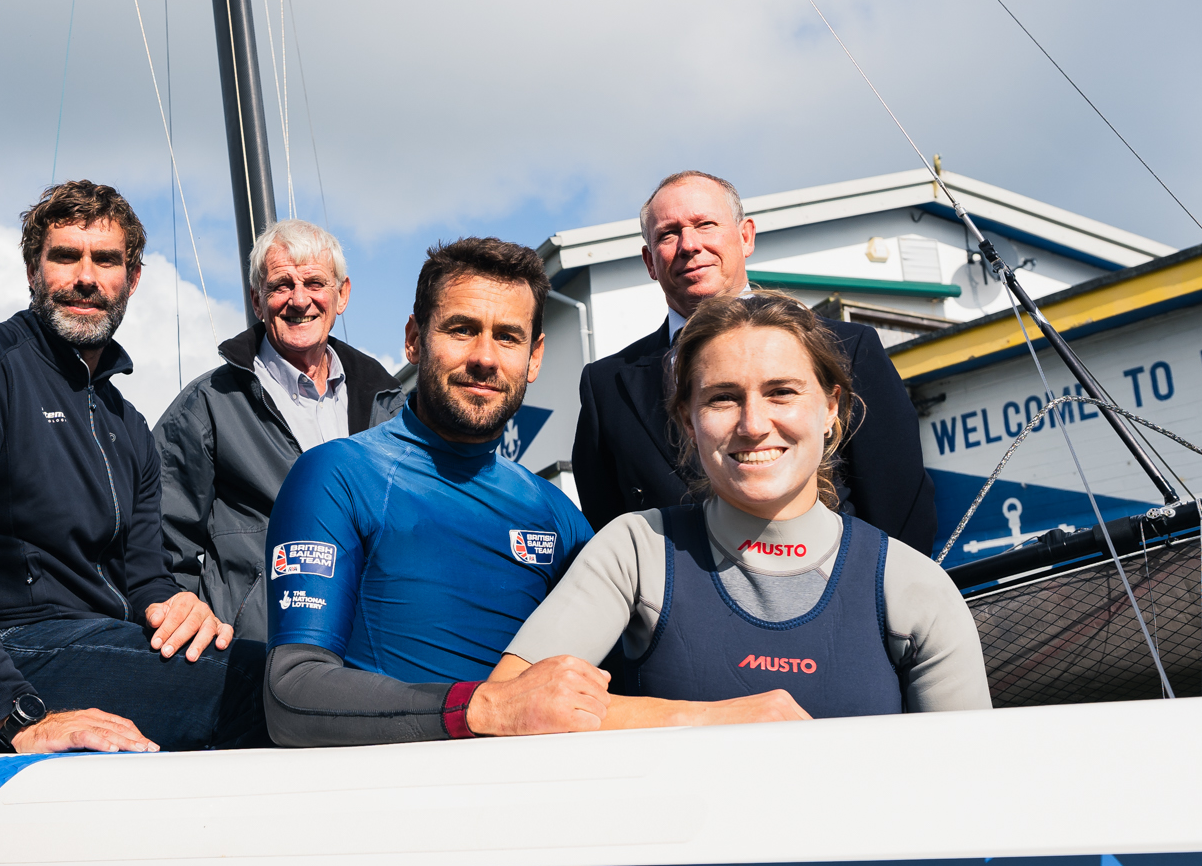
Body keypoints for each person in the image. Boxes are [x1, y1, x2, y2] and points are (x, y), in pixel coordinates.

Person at [0, 180, 266, 756]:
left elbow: (145, 578)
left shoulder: (130, 425)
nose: (86, 277)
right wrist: (16, 717)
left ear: (132, 279)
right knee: (264, 688)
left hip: (103, 645)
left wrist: (177, 606)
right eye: (65, 256)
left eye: (106, 260)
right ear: (33, 272)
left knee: (282, 668)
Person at [504, 292, 987, 716]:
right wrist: (710, 721)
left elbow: (972, 787)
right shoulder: (636, 553)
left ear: (831, 407)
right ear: (689, 421)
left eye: (782, 392)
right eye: (723, 398)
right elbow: (503, 706)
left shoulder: (913, 585)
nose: (753, 424)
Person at [262, 237, 613, 746]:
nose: (485, 358)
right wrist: (487, 707)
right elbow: (291, 693)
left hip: (538, 802)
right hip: (399, 804)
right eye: (462, 329)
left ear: (534, 358)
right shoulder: (336, 476)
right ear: (413, 339)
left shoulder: (557, 515)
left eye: (509, 337)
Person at [570, 170, 938, 551]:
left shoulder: (847, 348)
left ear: (746, 237)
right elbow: (609, 530)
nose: (689, 244)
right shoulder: (607, 387)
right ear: (649, 261)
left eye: (705, 224)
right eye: (668, 233)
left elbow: (899, 505)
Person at [155, 219, 394, 640]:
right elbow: (158, 539)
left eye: (315, 283)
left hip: (370, 653)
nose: (299, 300)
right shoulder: (209, 403)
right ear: (257, 300)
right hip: (255, 658)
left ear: (343, 294)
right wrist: (199, 630)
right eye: (281, 285)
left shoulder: (388, 405)